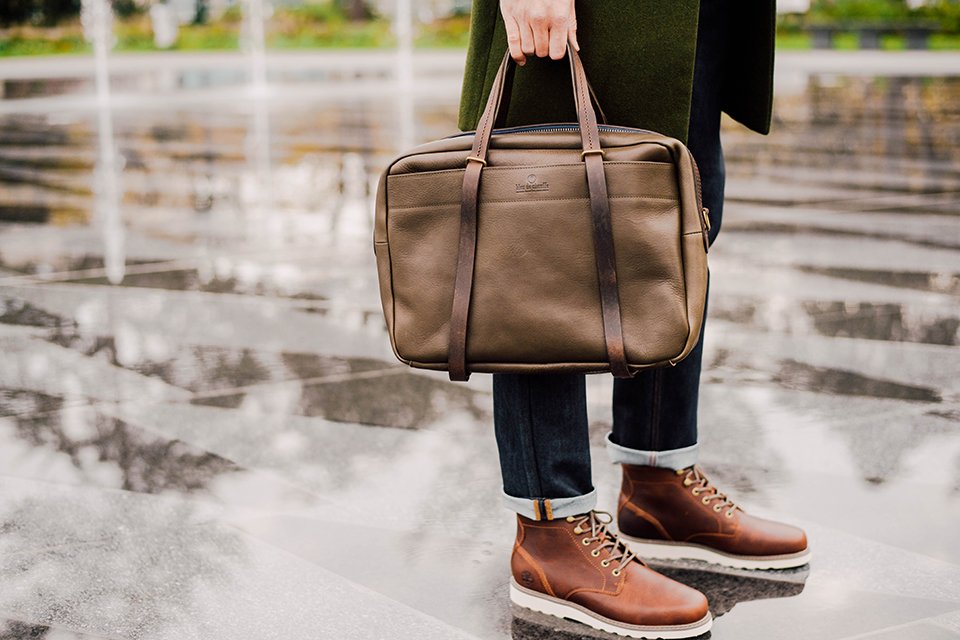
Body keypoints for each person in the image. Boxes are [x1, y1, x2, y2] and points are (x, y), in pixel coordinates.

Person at [456, 0, 811, 638]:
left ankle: (658, 482)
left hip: (694, 17)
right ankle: (551, 530)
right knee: (539, 244)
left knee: (675, 229)